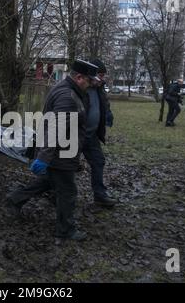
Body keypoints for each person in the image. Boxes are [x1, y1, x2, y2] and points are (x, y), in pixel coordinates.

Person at [6, 59, 100, 242]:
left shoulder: (70, 89)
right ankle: (65, 230)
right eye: (89, 80)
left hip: (62, 151)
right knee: (68, 191)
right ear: (79, 77)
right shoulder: (68, 96)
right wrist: (44, 158)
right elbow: (56, 128)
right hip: (60, 152)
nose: (91, 84)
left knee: (47, 182)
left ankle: (15, 198)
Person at [83, 59, 117, 208]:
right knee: (65, 169)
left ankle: (100, 195)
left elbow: (104, 105)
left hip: (91, 136)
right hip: (75, 135)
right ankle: (22, 195)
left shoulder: (99, 89)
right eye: (100, 75)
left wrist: (108, 115)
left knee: (98, 161)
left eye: (103, 76)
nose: (102, 79)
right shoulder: (81, 87)